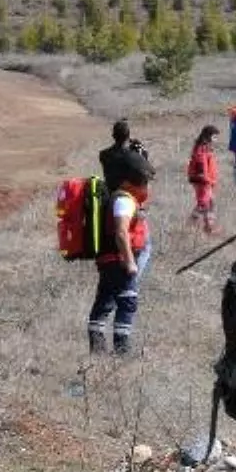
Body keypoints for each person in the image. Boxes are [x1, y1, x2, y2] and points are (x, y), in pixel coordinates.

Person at [87, 153, 154, 355]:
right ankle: (121, 352)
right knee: (127, 302)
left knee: (105, 302)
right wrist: (130, 261)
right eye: (145, 183)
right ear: (133, 183)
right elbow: (121, 231)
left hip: (110, 260)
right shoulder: (124, 200)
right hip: (119, 261)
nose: (147, 188)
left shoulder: (122, 197)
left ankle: (97, 352)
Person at [98, 119, 153, 291]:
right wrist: (142, 155)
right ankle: (130, 282)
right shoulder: (132, 156)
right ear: (128, 136)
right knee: (143, 244)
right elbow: (149, 173)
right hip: (128, 200)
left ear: (113, 135)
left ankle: (121, 280)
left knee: (116, 245)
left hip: (110, 202)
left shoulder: (104, 154)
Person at [187, 124, 220, 234]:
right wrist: (207, 180)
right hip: (202, 182)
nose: (216, 140)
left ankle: (203, 226)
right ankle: (206, 227)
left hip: (206, 181)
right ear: (208, 136)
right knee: (204, 204)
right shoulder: (201, 149)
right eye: (214, 137)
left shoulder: (205, 148)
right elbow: (202, 168)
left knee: (209, 203)